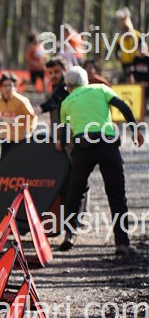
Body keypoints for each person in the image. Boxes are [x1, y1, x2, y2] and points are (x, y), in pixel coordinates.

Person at [58, 66, 144, 253]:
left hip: (83, 146)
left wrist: (61, 145)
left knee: (75, 191)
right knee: (116, 194)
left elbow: (63, 138)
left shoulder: (65, 103)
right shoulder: (101, 89)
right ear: (85, 81)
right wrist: (135, 129)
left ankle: (69, 235)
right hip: (107, 144)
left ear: (68, 86)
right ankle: (122, 243)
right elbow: (123, 107)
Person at [0, 73, 37, 159]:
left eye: (10, 85)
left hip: (20, 139)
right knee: (5, 162)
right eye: (5, 86)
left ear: (15, 87)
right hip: (6, 137)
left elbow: (32, 117)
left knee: (20, 162)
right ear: (1, 88)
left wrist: (29, 132)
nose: (8, 88)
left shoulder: (21, 101)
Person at [34, 57, 69, 138]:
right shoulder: (55, 86)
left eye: (56, 71)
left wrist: (41, 108)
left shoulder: (66, 86)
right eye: (50, 73)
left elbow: (55, 100)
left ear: (65, 70)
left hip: (67, 134)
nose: (53, 75)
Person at [115, 8, 143, 80]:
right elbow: (116, 51)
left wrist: (139, 55)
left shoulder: (137, 35)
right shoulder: (119, 38)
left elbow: (142, 48)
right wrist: (119, 57)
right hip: (124, 63)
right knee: (126, 79)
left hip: (137, 62)